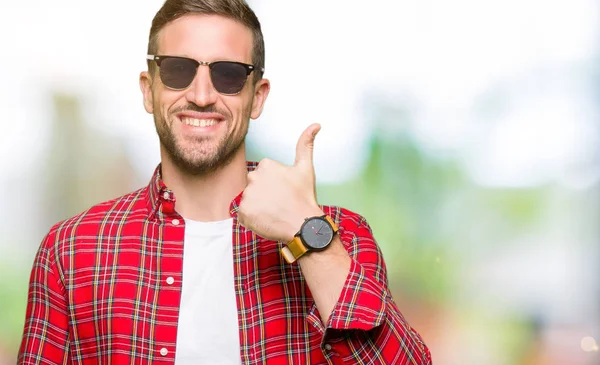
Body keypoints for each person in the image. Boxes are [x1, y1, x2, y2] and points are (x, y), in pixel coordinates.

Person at [17, 0, 431, 364]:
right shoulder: (71, 252)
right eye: (178, 70)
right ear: (148, 90)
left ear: (258, 96)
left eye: (228, 75)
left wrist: (307, 234)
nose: (201, 94)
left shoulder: (343, 238)